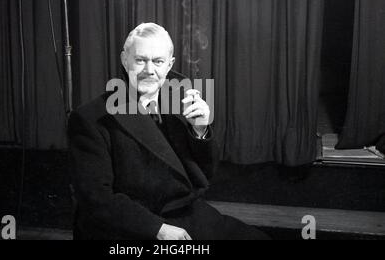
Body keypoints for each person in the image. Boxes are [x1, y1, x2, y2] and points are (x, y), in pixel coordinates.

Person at [68, 23, 269, 240]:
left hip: (184, 211)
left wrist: (200, 130)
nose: (149, 70)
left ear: (169, 64)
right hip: (134, 227)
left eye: (158, 61)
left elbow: (205, 174)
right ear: (124, 60)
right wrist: (158, 229)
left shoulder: (179, 98)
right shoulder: (91, 117)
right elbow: (96, 199)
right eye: (140, 60)